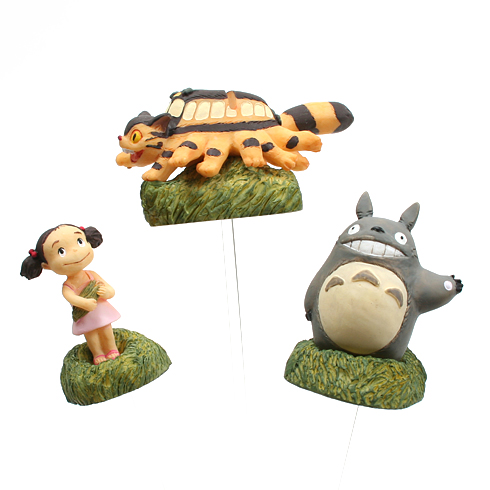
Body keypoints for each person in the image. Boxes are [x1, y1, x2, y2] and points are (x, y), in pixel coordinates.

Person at [21, 224, 120, 365]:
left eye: (79, 242)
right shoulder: (67, 286)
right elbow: (72, 298)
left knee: (106, 329)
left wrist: (107, 292)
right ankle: (97, 353)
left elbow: (111, 290)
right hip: (85, 314)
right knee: (91, 334)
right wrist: (84, 303)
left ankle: (112, 349)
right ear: (47, 266)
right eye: (61, 251)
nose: (75, 250)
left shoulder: (91, 274)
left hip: (101, 310)